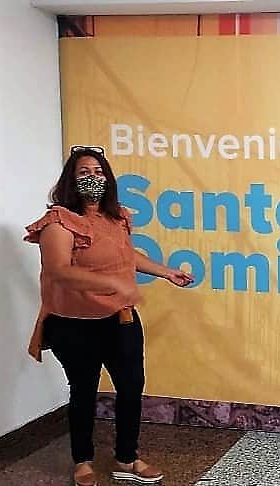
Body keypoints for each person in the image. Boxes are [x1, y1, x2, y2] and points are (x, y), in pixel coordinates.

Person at [24, 146, 193, 486]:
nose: (93, 179)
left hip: (121, 320)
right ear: (71, 180)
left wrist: (165, 272)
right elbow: (58, 271)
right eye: (84, 172)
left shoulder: (117, 217)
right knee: (83, 391)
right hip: (74, 325)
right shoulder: (59, 220)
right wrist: (112, 283)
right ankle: (82, 461)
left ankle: (127, 459)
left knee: (131, 389)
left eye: (99, 172)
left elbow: (128, 256)